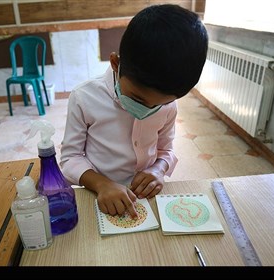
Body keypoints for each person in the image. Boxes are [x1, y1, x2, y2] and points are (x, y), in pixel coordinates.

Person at [60, 4, 208, 218]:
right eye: (137, 98)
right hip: (99, 193)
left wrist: (158, 170)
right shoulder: (84, 98)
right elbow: (70, 158)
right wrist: (102, 185)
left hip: (145, 197)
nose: (146, 110)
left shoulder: (168, 104)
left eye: (160, 104)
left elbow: (167, 151)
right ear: (115, 63)